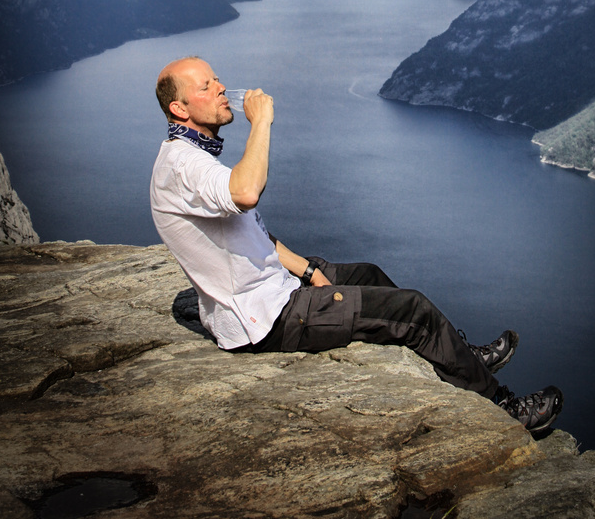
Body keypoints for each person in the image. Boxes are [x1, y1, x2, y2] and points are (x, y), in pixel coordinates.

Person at [151, 56, 563, 435]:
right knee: (412, 310)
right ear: (180, 110)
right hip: (266, 321)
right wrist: (261, 123)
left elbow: (251, 234)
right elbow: (245, 194)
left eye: (218, 79)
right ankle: (504, 408)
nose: (222, 88)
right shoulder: (184, 167)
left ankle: (461, 356)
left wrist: (308, 271)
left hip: (273, 290)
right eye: (207, 86)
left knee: (368, 274)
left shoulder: (190, 156)